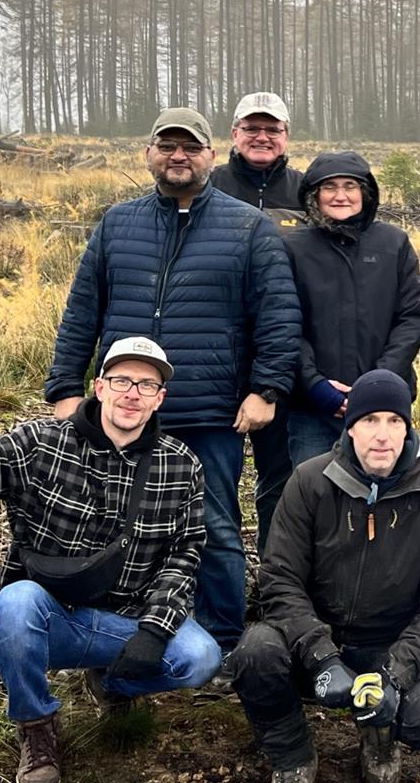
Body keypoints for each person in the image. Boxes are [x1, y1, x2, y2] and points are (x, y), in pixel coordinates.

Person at [0, 337, 222, 783]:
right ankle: (37, 727)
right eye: (121, 380)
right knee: (15, 603)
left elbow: (185, 554)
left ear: (160, 398)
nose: (132, 393)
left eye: (146, 384)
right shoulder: (42, 444)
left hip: (128, 620)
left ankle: (113, 681)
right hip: (50, 617)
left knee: (200, 658)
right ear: (99, 387)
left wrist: (154, 631)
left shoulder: (181, 465)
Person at [45, 107, 301, 655]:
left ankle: (222, 642)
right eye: (167, 146)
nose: (178, 156)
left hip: (208, 410)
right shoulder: (118, 224)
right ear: (150, 154)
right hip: (124, 410)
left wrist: (267, 389)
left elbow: (278, 316)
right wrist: (66, 387)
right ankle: (118, 632)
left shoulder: (248, 227)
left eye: (190, 147)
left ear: (212, 155)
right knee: (113, 522)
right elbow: (82, 312)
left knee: (214, 527)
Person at [234, 370, 420, 783]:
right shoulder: (308, 482)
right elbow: (279, 580)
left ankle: (379, 733)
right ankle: (294, 760)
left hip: (389, 643)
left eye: (394, 421)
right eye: (370, 421)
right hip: (313, 643)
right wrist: (322, 657)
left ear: (408, 427)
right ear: (350, 426)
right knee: (255, 654)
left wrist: (396, 675)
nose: (382, 435)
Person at [284, 151, 420, 466]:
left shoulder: (394, 243)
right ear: (314, 195)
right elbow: (283, 323)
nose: (340, 196)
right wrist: (315, 385)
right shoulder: (293, 248)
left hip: (386, 406)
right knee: (316, 499)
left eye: (350, 185)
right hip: (314, 410)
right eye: (329, 187)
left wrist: (380, 379)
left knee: (388, 499)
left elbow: (412, 317)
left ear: (365, 192)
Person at [206, 91, 306, 546]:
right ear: (234, 134)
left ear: (286, 136)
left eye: (272, 129)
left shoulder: (308, 192)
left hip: (286, 355)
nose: (262, 137)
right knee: (210, 484)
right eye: (252, 128)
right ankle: (212, 584)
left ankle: (277, 583)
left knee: (281, 483)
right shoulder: (208, 185)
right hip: (214, 358)